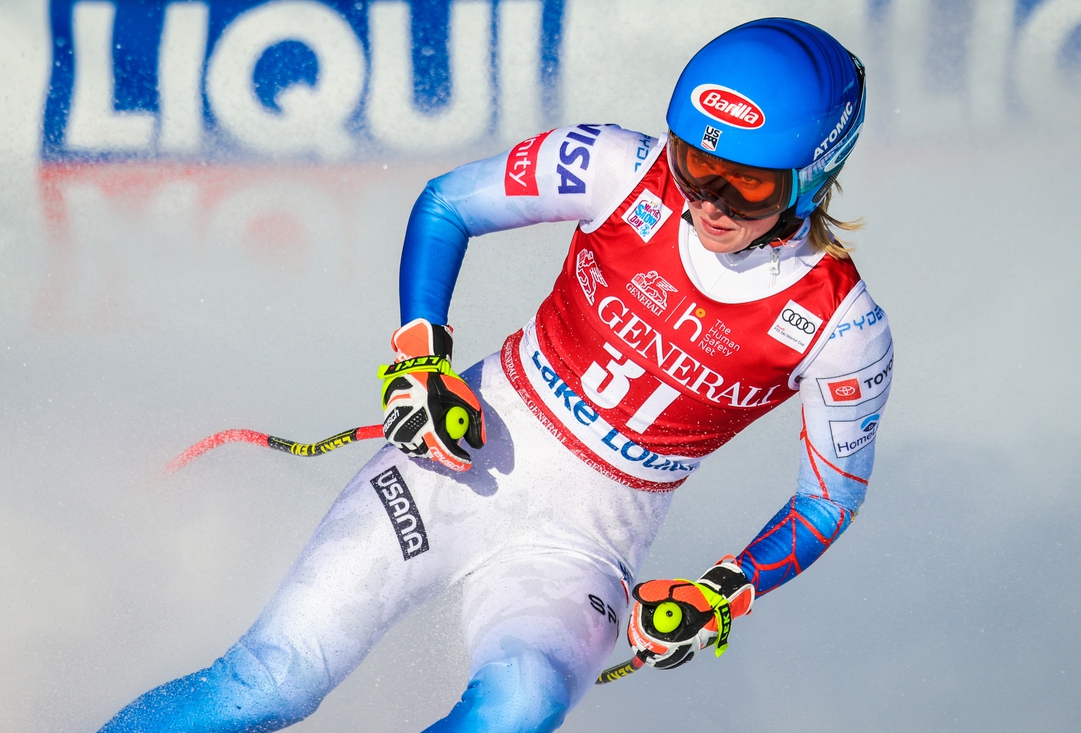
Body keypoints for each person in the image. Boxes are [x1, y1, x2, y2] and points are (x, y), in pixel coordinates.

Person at [99, 17, 891, 733]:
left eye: (746, 183)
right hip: (461, 458)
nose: (710, 201)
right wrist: (420, 360)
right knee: (269, 683)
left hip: (583, 547)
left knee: (519, 707)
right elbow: (447, 204)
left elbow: (830, 496)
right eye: (695, 161)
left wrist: (725, 587)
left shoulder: (844, 326)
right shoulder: (619, 167)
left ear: (814, 175)